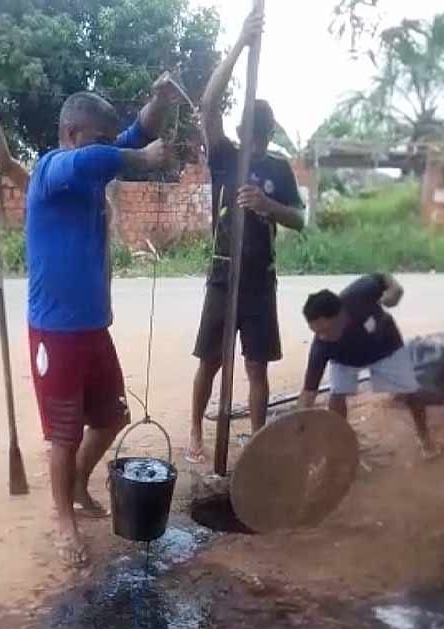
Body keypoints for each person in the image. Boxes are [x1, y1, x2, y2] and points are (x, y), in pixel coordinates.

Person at [26, 80, 178, 566]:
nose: (109, 148)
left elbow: (132, 136)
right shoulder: (52, 169)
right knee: (64, 434)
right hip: (55, 330)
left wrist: (159, 100)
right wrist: (141, 160)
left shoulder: (92, 164)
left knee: (113, 418)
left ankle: (76, 485)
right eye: (98, 138)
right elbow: (104, 158)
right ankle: (63, 519)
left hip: (92, 325)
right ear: (70, 134)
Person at [186, 8, 306, 464]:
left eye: (259, 136)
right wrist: (239, 44)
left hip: (259, 280)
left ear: (268, 134)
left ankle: (257, 442)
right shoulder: (223, 156)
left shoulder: (278, 167)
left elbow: (299, 220)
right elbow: (207, 104)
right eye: (246, 133)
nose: (251, 141)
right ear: (239, 132)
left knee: (256, 365)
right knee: (210, 362)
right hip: (223, 274)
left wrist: (268, 206)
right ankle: (196, 431)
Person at [297, 274, 440, 460]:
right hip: (346, 359)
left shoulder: (357, 295)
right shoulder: (322, 347)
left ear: (341, 313)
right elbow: (308, 393)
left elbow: (384, 278)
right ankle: (341, 443)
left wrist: (395, 290)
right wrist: (296, 425)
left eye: (325, 329)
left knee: (410, 392)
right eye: (316, 332)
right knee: (337, 397)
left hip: (386, 346)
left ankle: (424, 438)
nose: (321, 336)